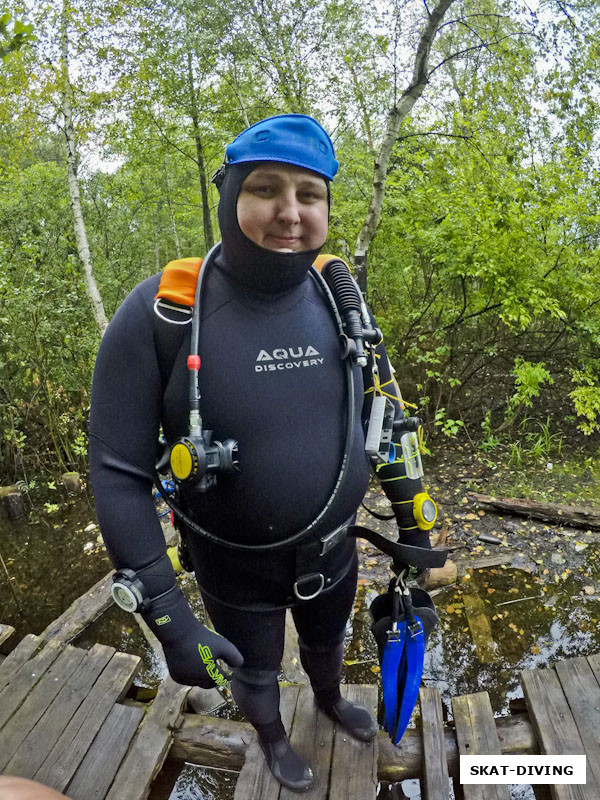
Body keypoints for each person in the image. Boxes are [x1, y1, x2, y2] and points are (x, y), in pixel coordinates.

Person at [89, 114, 436, 792]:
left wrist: (417, 523)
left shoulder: (344, 303)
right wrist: (167, 616)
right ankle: (271, 735)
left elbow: (388, 418)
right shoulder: (164, 311)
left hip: (335, 551)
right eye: (266, 189)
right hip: (234, 565)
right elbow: (116, 473)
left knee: (327, 643)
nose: (289, 211)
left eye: (309, 194)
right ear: (228, 195)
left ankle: (331, 700)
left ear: (327, 209)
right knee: (249, 666)